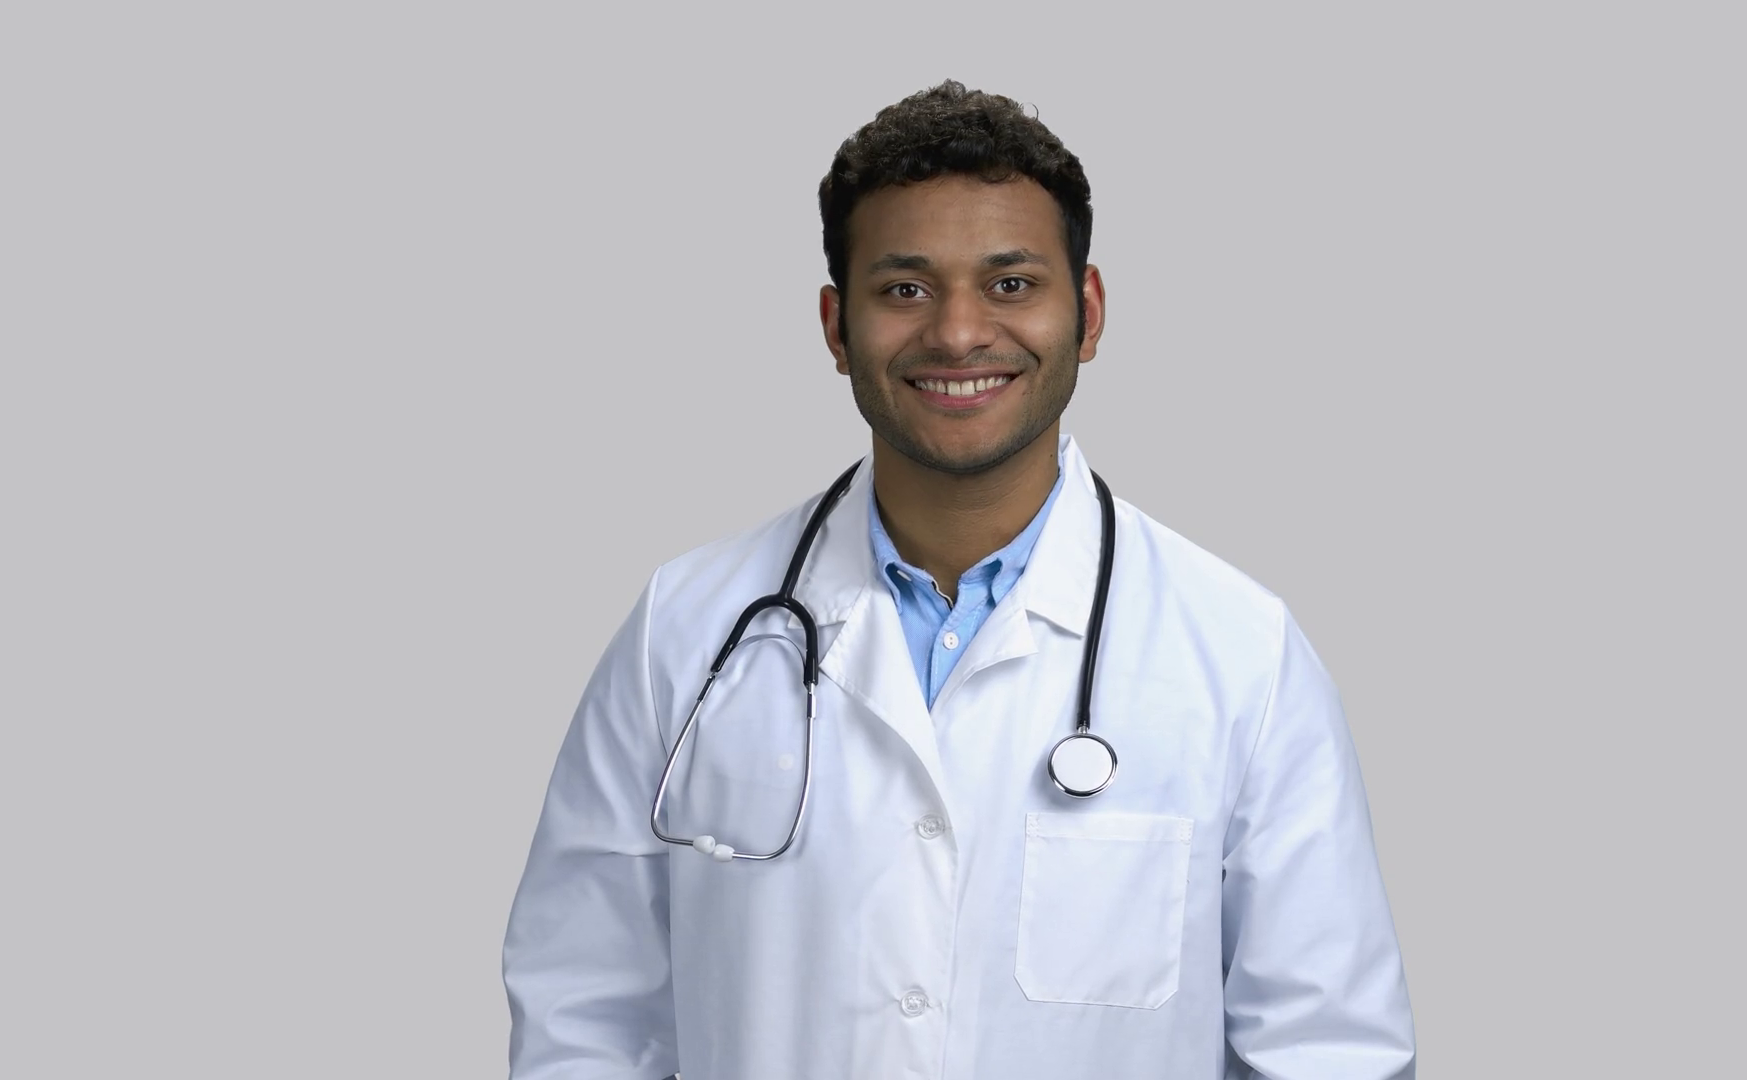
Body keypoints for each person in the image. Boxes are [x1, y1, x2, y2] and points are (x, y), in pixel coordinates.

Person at [501, 80, 1415, 1079]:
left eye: (1011, 283)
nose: (957, 333)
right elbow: (583, 1015)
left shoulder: (1241, 656)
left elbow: (1329, 1053)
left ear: (1088, 313)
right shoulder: (685, 630)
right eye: (905, 289)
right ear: (836, 326)